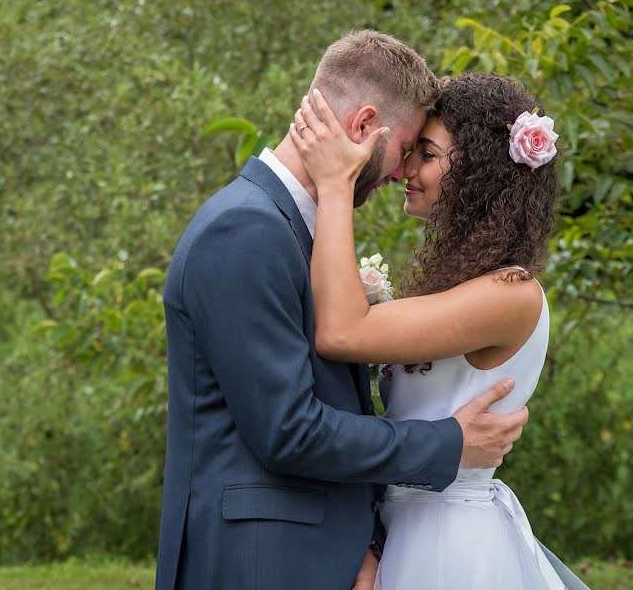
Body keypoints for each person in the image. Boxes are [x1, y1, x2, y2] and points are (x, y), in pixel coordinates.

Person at [154, 31, 530, 590]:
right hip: (258, 561)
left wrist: (364, 542)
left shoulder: (296, 229)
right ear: (362, 127)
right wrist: (449, 443)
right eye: (406, 149)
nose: (403, 172)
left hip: (314, 553)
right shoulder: (245, 230)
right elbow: (289, 431)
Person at [290, 72, 589, 589]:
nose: (406, 168)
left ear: (477, 171)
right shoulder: (464, 285)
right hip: (405, 528)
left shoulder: (511, 294)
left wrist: (336, 185)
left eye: (427, 154)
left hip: (449, 541)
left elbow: (340, 332)